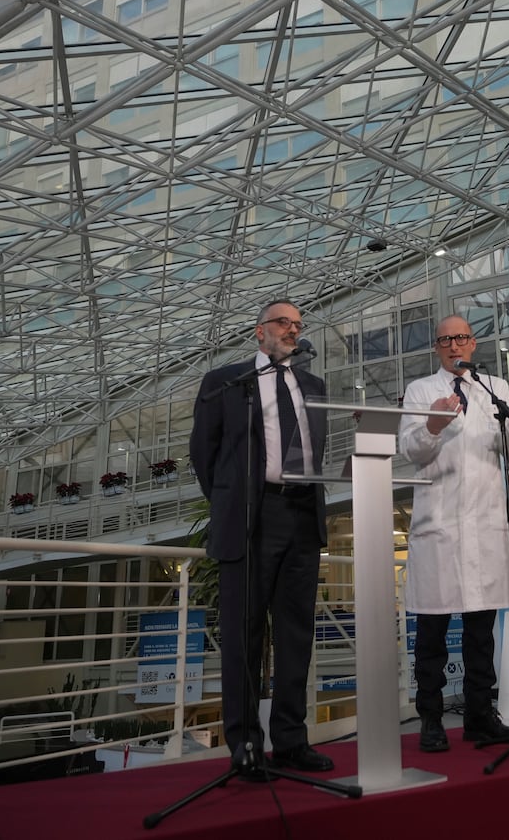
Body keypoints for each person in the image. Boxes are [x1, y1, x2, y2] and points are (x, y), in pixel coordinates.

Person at [189, 300, 333, 773]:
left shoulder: (314, 385)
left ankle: (291, 739)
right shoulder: (227, 382)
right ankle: (245, 745)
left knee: (296, 635)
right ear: (260, 332)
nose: (292, 330)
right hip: (251, 518)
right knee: (244, 636)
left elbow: (317, 450)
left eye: (298, 325)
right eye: (283, 323)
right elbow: (203, 454)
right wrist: (232, 499)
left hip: (301, 517)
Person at [399, 315, 509, 752]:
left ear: (473, 343)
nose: (454, 345)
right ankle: (432, 720)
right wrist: (433, 424)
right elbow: (412, 452)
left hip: (485, 525)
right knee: (432, 636)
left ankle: (480, 717)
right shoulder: (421, 391)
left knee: (481, 633)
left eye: (461, 338)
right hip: (439, 527)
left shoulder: (493, 386)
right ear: (437, 348)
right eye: (445, 340)